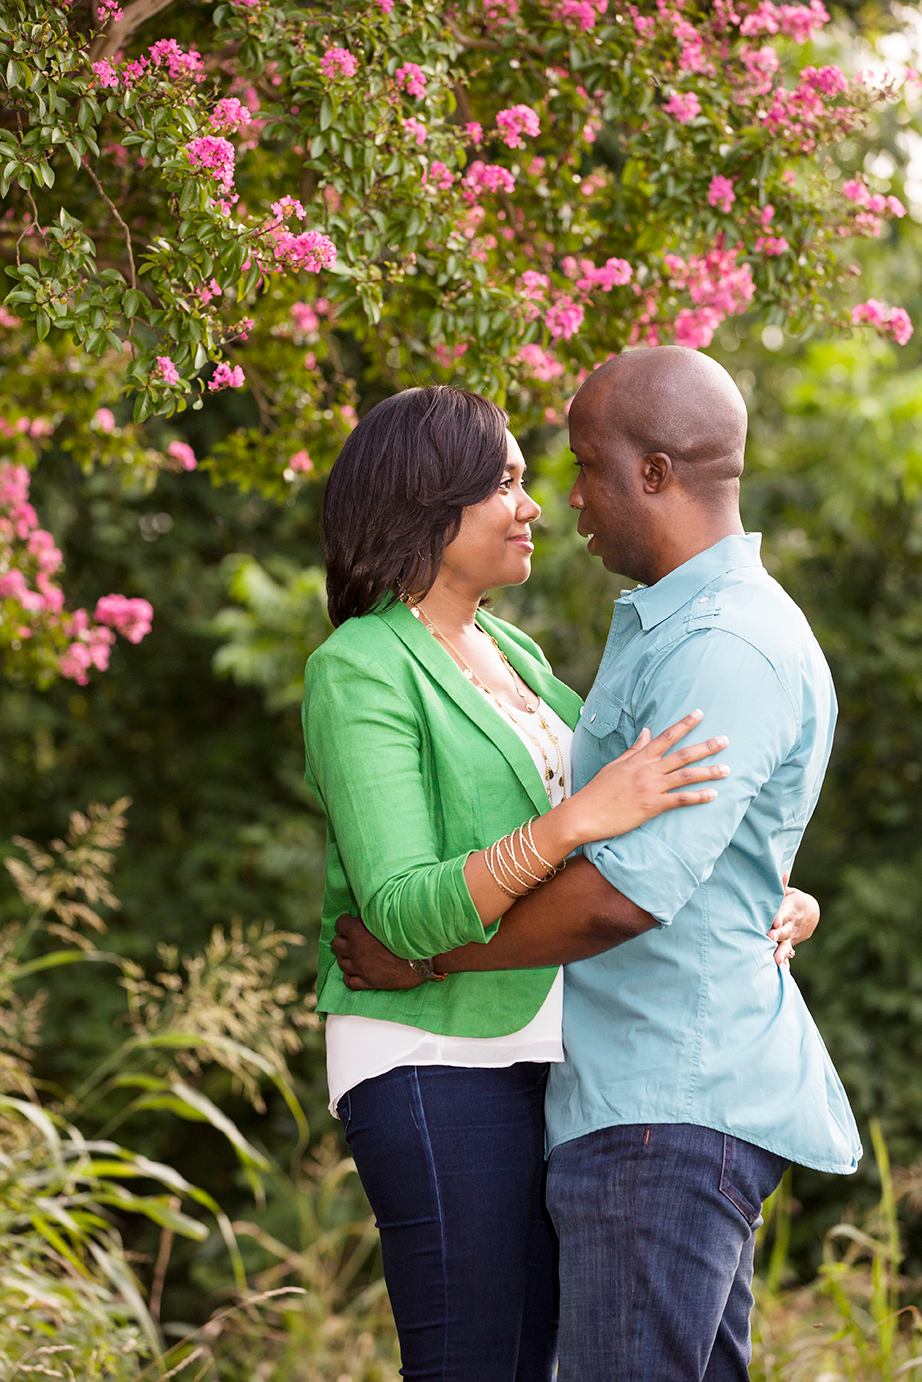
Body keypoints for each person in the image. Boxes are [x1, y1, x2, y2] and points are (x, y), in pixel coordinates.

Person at [331, 350, 857, 1382]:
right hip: (577, 1081)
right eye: (515, 480)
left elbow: (623, 888)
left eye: (574, 465)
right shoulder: (620, 639)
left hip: (665, 1094)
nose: (557, 500)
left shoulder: (717, 642)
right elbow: (627, 835)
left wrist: (437, 962)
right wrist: (763, 885)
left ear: (654, 473)